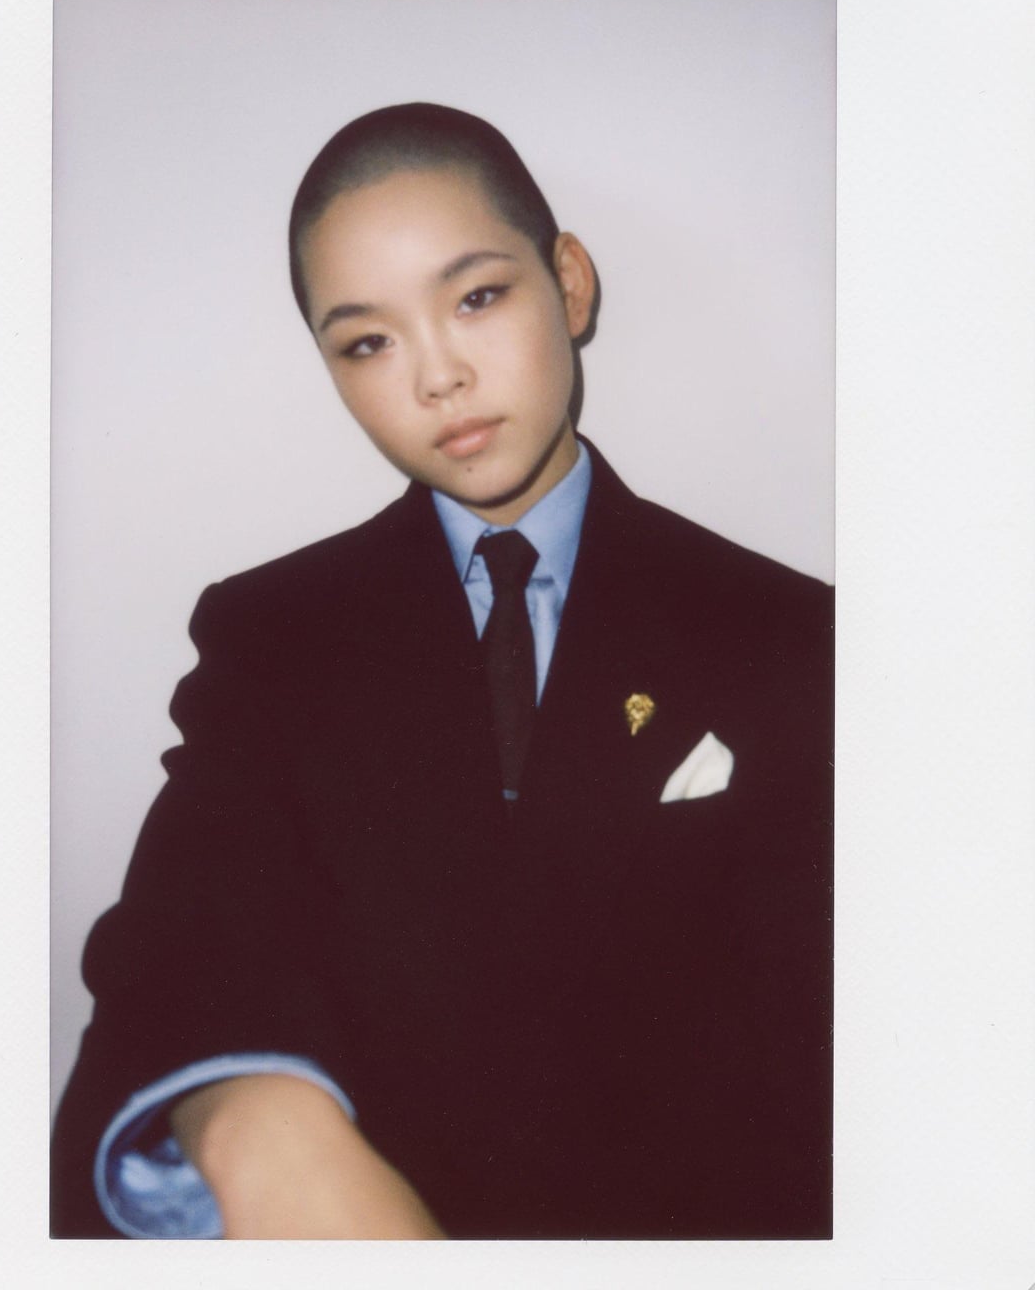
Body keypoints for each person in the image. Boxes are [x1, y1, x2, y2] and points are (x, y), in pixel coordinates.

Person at [51, 102, 833, 1241]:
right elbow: (185, 929)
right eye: (367, 342)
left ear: (569, 284)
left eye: (477, 297)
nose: (438, 376)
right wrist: (253, 1120)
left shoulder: (787, 630)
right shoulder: (274, 634)